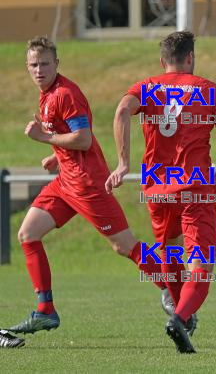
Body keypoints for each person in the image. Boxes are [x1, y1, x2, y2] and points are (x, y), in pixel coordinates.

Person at [8, 36, 168, 336]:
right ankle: (45, 311)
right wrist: (57, 155)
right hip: (65, 182)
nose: (39, 69)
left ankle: (176, 289)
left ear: (57, 63)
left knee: (124, 246)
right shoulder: (47, 94)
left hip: (88, 185)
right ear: (27, 68)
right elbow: (71, 139)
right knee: (28, 234)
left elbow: (83, 138)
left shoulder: (66, 94)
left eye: (45, 63)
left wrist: (45, 139)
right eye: (33, 65)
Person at [105, 31, 216, 354]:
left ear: (162, 61)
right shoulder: (208, 89)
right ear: (190, 57)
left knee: (169, 254)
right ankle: (180, 318)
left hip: (157, 189)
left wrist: (123, 163)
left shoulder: (147, 87)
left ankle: (182, 315)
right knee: (202, 268)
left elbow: (122, 111)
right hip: (196, 188)